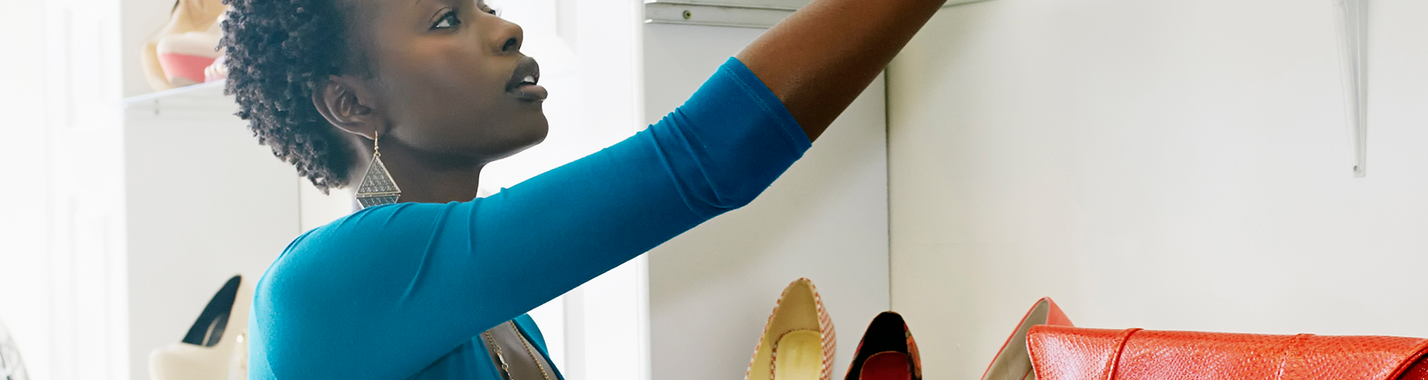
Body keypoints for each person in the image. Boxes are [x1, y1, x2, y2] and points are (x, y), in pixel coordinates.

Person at [218, 0, 945, 377]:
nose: (504, 28)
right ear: (352, 104)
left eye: (483, 4)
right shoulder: (327, 283)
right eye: (446, 19)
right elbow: (707, 156)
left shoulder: (503, 323)